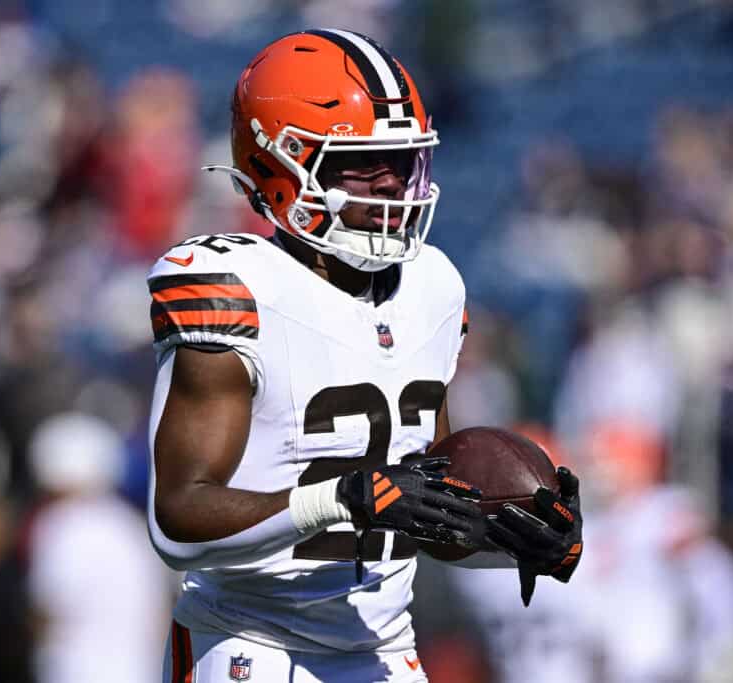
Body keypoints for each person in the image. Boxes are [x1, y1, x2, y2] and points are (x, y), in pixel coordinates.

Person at [145, 29, 582, 683]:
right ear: (281, 162)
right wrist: (341, 498)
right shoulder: (234, 287)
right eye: (362, 163)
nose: (392, 184)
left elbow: (426, 508)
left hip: (383, 649)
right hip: (252, 645)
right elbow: (177, 523)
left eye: (402, 160)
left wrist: (517, 534)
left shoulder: (433, 287)